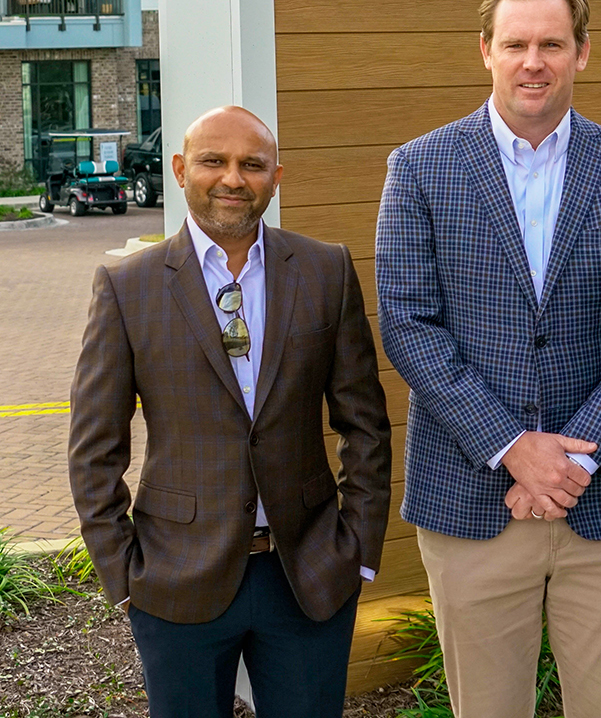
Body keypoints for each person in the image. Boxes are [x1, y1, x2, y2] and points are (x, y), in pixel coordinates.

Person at [376, 0, 601, 718]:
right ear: (486, 49)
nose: (533, 61)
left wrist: (568, 462)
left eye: (553, 43)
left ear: (583, 52)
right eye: (516, 43)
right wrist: (515, 447)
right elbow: (409, 326)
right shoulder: (419, 168)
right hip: (473, 503)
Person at [68, 106, 392, 718]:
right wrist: (124, 574)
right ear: (180, 169)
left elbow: (365, 424)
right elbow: (94, 449)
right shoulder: (127, 286)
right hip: (173, 578)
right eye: (214, 161)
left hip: (308, 573)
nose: (233, 178)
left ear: (277, 176)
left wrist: (358, 548)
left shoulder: (325, 270)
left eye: (253, 164)